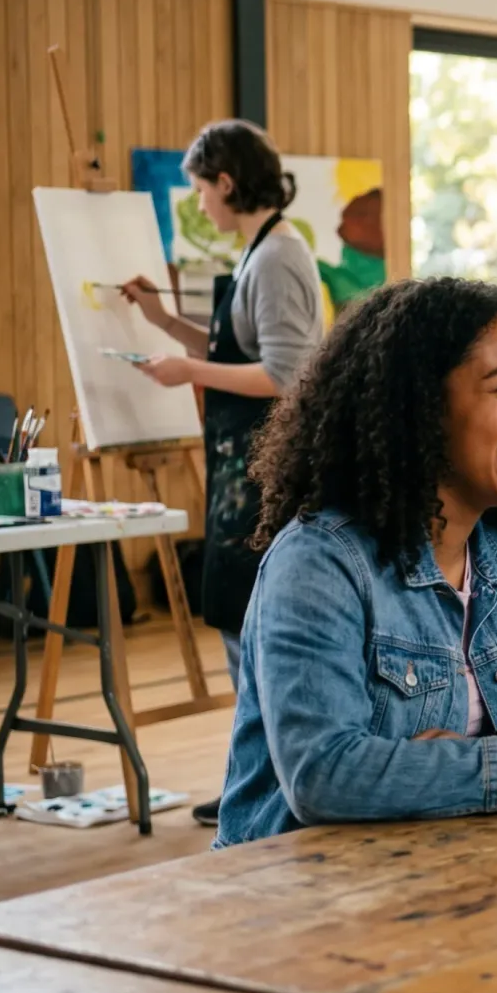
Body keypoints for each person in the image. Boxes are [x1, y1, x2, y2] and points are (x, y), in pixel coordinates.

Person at [216, 279, 497, 847]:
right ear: (420, 408)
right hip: (295, 896)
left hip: (453, 868)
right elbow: (322, 777)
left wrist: (468, 760)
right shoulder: (319, 564)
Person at [121, 119, 325, 827]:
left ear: (227, 182)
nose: (199, 201)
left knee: (254, 626)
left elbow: (286, 373)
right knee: (238, 620)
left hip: (266, 479)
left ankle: (269, 780)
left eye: (201, 188)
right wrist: (162, 321)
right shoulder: (258, 252)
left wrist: (186, 370)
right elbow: (234, 345)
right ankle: (252, 774)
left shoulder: (277, 257)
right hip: (245, 475)